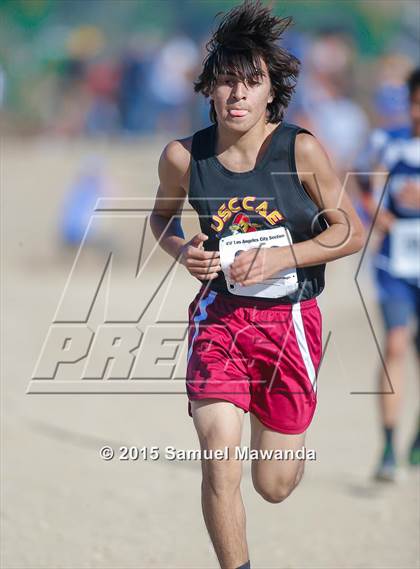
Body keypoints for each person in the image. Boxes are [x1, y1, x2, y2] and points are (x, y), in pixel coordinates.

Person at [150, 2, 364, 567]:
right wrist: (183, 250)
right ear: (209, 91)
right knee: (220, 459)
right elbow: (161, 219)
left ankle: (286, 446)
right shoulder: (183, 157)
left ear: (272, 92)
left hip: (289, 321)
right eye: (226, 83)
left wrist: (281, 257)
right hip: (219, 318)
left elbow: (350, 231)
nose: (238, 95)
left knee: (272, 484)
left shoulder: (300, 149)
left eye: (252, 82)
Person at [363, 67, 420, 482]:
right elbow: (368, 187)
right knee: (396, 345)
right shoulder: (387, 141)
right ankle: (387, 446)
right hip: (394, 263)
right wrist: (376, 209)